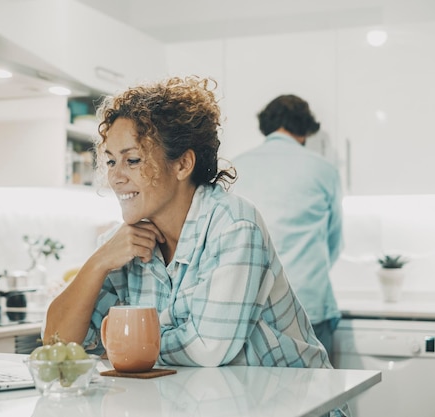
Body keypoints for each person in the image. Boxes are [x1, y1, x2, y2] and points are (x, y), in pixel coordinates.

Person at [43, 77, 331, 369]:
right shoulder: (119, 245)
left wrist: (120, 346)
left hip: (299, 404)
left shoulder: (234, 226)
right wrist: (98, 263)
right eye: (110, 161)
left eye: (132, 160)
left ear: (182, 164)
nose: (116, 177)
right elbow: (57, 343)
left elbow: (207, 348)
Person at [232, 94, 344, 358]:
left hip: (252, 305)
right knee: (320, 394)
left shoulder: (234, 167)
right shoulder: (324, 169)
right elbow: (335, 242)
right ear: (305, 130)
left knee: (257, 396)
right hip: (309, 303)